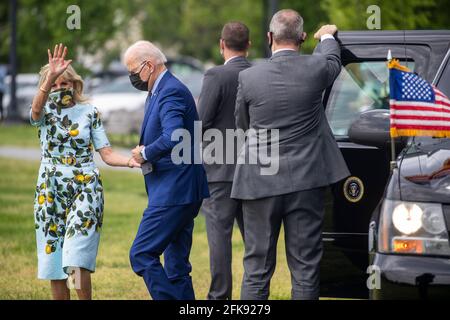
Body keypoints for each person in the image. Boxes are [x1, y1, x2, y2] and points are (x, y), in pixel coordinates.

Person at [232, 10, 350, 300]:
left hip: (259, 180)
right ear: (302, 38)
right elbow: (333, 59)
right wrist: (326, 36)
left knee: (257, 269)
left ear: (270, 38)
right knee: (306, 268)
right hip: (307, 181)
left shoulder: (248, 77)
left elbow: (242, 125)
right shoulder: (316, 68)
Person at [30, 44, 141, 300]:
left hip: (85, 188)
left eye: (64, 84)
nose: (60, 89)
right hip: (50, 190)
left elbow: (107, 153)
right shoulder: (44, 112)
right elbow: (35, 113)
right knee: (54, 259)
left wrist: (129, 162)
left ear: (75, 85)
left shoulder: (90, 113)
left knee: (76, 257)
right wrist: (49, 79)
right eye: (55, 85)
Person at [124, 41, 209, 300]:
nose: (132, 77)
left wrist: (145, 152)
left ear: (149, 66)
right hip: (182, 190)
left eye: (133, 71)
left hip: (175, 191)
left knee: (141, 254)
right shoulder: (159, 90)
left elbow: (174, 135)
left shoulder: (170, 91)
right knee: (176, 267)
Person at [197, 21, 251, 300]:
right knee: (255, 241)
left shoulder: (215, 76)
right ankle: (253, 296)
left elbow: (201, 122)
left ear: (221, 44)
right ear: (249, 45)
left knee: (220, 238)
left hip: (219, 170)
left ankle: (219, 297)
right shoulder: (258, 72)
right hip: (255, 170)